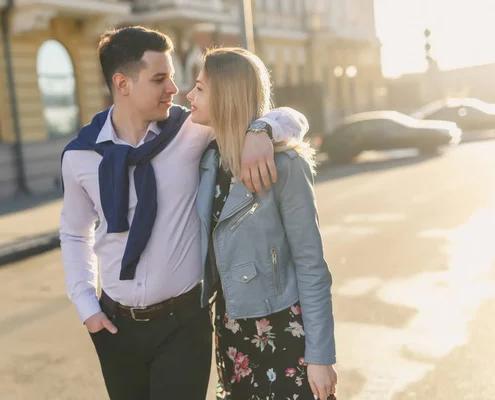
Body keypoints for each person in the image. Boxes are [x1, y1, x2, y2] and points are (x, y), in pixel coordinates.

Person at [59, 27, 308, 400]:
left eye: (173, 77)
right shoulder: (80, 156)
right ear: (123, 84)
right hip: (113, 326)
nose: (174, 89)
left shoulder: (190, 129)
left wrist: (261, 129)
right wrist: (85, 305)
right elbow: (75, 233)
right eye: (160, 79)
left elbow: (294, 118)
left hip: (183, 323)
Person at [187, 47, 337, 400]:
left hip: (283, 333)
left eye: (199, 88)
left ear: (225, 96)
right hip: (231, 330)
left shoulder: (286, 165)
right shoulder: (209, 159)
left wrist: (320, 356)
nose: (189, 96)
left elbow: (311, 265)